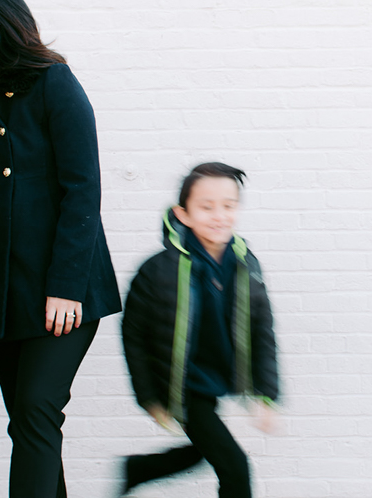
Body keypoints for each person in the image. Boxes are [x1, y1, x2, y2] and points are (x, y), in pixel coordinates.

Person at [0, 0, 121, 498]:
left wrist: (66, 287)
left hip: (63, 289)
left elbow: (82, 189)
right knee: (27, 421)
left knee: (37, 411)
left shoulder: (51, 80)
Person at [120, 163, 280, 498]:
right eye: (206, 207)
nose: (219, 216)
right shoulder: (158, 270)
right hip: (183, 385)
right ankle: (138, 469)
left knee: (201, 452)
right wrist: (149, 397)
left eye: (228, 206)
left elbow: (262, 330)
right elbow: (133, 334)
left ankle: (139, 469)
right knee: (235, 467)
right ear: (184, 214)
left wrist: (265, 394)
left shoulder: (245, 265)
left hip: (213, 380)